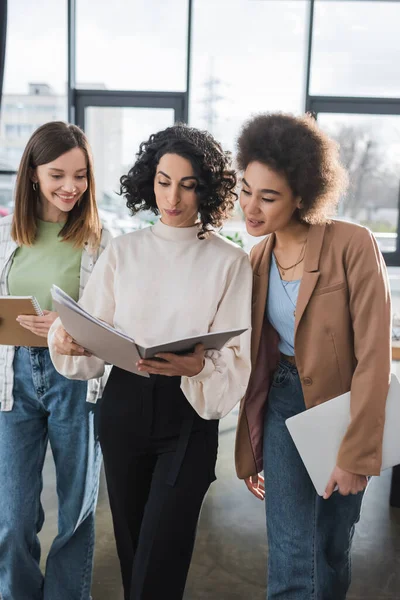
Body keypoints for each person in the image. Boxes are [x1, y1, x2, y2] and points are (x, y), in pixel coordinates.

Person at [49, 124, 252, 600]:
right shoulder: (124, 251)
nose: (173, 197)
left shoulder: (230, 261)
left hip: (188, 415)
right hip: (123, 407)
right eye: (164, 181)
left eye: (187, 184)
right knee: (133, 547)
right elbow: (90, 333)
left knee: (164, 550)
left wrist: (197, 368)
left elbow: (235, 358)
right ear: (149, 180)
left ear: (206, 187)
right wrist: (71, 343)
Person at [234, 113, 391, 600]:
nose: (250, 207)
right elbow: (256, 363)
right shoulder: (256, 260)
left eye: (268, 196)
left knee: (329, 549)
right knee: (289, 550)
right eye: (244, 190)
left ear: (302, 195)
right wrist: (252, 447)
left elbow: (373, 357)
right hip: (283, 404)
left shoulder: (353, 244)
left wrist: (356, 453)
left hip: (341, 409)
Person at [0, 121, 112, 600]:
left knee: (76, 510)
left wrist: (68, 330)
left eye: (81, 175)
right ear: (32, 175)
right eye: (58, 175)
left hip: (76, 381)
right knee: (13, 514)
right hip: (14, 379)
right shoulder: (8, 238)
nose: (72, 187)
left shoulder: (101, 242)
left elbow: (113, 325)